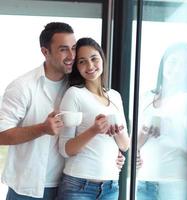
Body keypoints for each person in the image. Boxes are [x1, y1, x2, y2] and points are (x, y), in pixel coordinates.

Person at [0, 22, 125, 200]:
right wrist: (42, 128)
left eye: (73, 48)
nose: (71, 56)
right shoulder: (23, 87)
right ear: (45, 52)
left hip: (68, 183)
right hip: (28, 188)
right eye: (63, 49)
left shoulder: (77, 87)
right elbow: (1, 135)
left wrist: (112, 154)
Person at [57, 37, 130, 200]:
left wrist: (116, 131)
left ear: (102, 59)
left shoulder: (115, 96)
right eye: (82, 61)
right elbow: (65, 149)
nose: (90, 66)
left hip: (111, 187)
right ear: (77, 67)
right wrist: (94, 130)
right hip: (78, 187)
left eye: (94, 59)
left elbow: (125, 145)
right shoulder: (74, 94)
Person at [136, 43, 187, 200]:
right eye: (173, 61)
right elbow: (136, 141)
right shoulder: (146, 97)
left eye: (184, 65)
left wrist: (170, 125)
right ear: (163, 63)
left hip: (177, 184)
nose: (177, 68)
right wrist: (136, 150)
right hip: (144, 182)